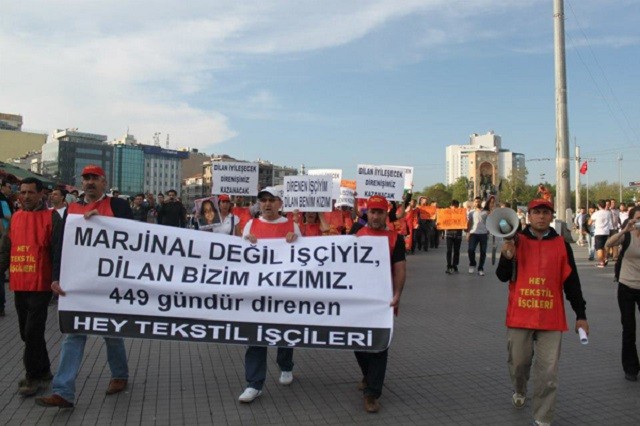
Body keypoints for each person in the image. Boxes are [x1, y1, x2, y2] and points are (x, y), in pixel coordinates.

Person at [36, 165, 134, 409]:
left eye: (94, 178)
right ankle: (63, 391)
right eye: (86, 178)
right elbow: (61, 246)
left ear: (104, 182)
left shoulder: (118, 206)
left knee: (111, 333)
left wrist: (100, 223)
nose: (89, 182)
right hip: (78, 283)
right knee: (73, 335)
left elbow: (135, 237)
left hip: (109, 283)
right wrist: (57, 277)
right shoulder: (73, 209)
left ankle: (119, 375)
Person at [497, 198, 588, 426]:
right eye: (536, 212)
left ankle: (542, 417)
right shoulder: (516, 240)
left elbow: (572, 283)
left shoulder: (561, 245)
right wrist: (508, 255)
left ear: (551, 216)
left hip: (551, 317)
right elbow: (502, 275)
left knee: (548, 374)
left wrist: (581, 315)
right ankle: (520, 389)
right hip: (520, 316)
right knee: (518, 364)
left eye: (545, 213)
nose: (541, 217)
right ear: (528, 216)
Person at [238, 187, 302, 403]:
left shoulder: (292, 226)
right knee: (255, 335)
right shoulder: (251, 225)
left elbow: (304, 259)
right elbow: (240, 256)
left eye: (271, 200)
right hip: (257, 291)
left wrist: (296, 242)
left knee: (284, 331)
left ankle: (285, 365)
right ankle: (254, 384)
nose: (267, 204)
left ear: (280, 204)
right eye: (263, 200)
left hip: (284, 291)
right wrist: (246, 242)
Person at [0, 177, 63, 396]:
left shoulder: (52, 217)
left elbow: (58, 252)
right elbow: (6, 248)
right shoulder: (15, 218)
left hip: (42, 283)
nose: (26, 196)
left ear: (41, 194)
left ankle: (32, 377)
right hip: (19, 282)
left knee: (33, 330)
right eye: (23, 192)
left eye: (30, 192)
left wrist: (57, 279)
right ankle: (43, 369)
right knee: (25, 333)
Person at [351, 195, 406, 413]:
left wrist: (397, 294)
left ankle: (372, 393)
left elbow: (400, 268)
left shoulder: (395, 239)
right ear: (367, 213)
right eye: (372, 212)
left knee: (379, 345)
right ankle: (368, 376)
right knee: (357, 343)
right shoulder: (356, 235)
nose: (375, 216)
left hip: (382, 301)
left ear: (386, 214)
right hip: (359, 300)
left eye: (379, 212)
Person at [606, 207, 640, 381]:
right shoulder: (627, 235)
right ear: (631, 219)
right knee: (629, 328)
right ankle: (631, 368)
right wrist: (625, 230)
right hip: (626, 286)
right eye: (638, 218)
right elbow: (608, 244)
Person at [0, 178, 14, 316]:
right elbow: (7, 216)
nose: (11, 189)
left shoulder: (4, 200)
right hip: (5, 236)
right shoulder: (3, 200)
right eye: (9, 186)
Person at [467, 196, 489, 276]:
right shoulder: (471, 212)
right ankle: (472, 263)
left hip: (483, 233)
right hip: (474, 233)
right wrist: (468, 233)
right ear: (474, 203)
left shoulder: (485, 212)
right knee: (471, 250)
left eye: (479, 201)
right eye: (476, 201)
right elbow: (469, 223)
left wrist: (489, 231)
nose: (477, 203)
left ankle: (480, 268)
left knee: (483, 252)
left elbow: (489, 222)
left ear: (481, 202)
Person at [589, 199, 613, 268]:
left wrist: (592, 216)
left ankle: (601, 262)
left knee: (599, 248)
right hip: (606, 232)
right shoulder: (608, 213)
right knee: (604, 247)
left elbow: (589, 223)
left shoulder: (596, 213)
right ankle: (605, 258)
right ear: (605, 205)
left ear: (598, 205)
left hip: (599, 232)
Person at [444, 200, 464, 274]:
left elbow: (464, 223)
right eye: (453, 206)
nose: (454, 208)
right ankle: (449, 265)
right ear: (450, 206)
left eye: (456, 206)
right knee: (449, 250)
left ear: (458, 206)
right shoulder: (446, 213)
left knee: (456, 251)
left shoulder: (461, 214)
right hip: (449, 234)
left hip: (458, 234)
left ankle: (455, 265)